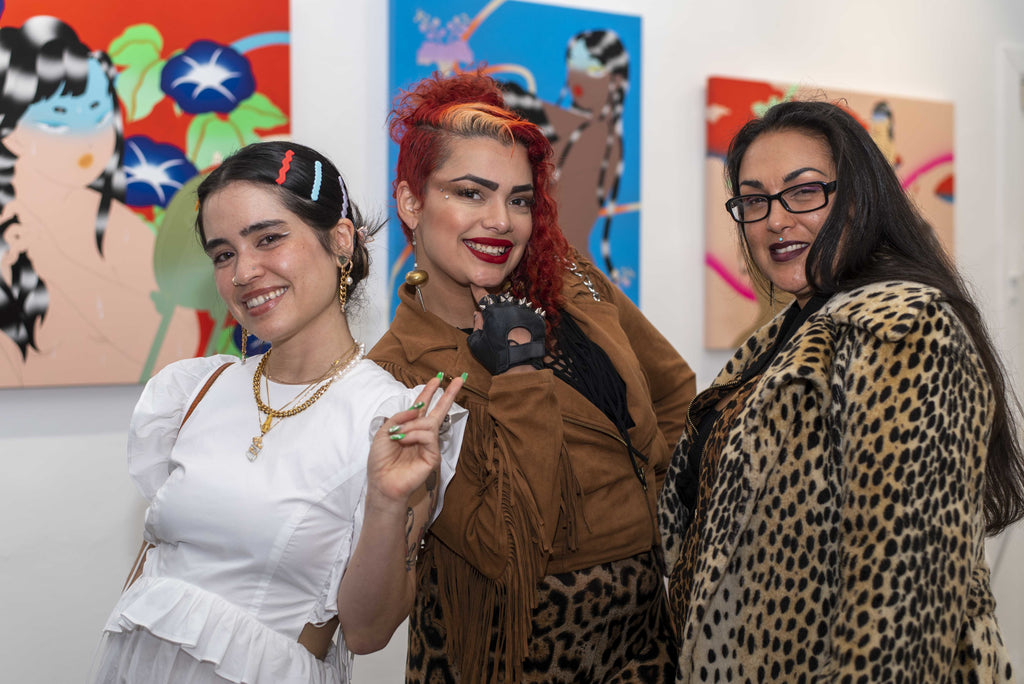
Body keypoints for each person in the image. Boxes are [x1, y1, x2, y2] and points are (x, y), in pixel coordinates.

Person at [658, 100, 1024, 682]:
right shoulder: (788, 333)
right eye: (754, 200)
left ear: (858, 198)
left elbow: (903, 608)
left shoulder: (905, 329)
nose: (776, 220)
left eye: (803, 192)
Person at [90, 141, 468, 684]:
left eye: (268, 238)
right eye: (223, 254)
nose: (244, 272)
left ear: (340, 241)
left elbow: (366, 632)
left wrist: (387, 502)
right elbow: (150, 576)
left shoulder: (389, 418)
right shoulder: (194, 391)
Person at [370, 70, 696, 683]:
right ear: (412, 202)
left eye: (519, 199)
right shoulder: (395, 373)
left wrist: (658, 518)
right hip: (516, 648)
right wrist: (518, 375)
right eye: (470, 192)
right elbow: (505, 544)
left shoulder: (569, 281)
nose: (501, 220)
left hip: (649, 628)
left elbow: (674, 390)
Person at [0, 15, 198, 386]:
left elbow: (177, 346)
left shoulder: (116, 226)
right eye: (59, 117)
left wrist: (54, 260)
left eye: (97, 112)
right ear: (10, 133)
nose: (88, 135)